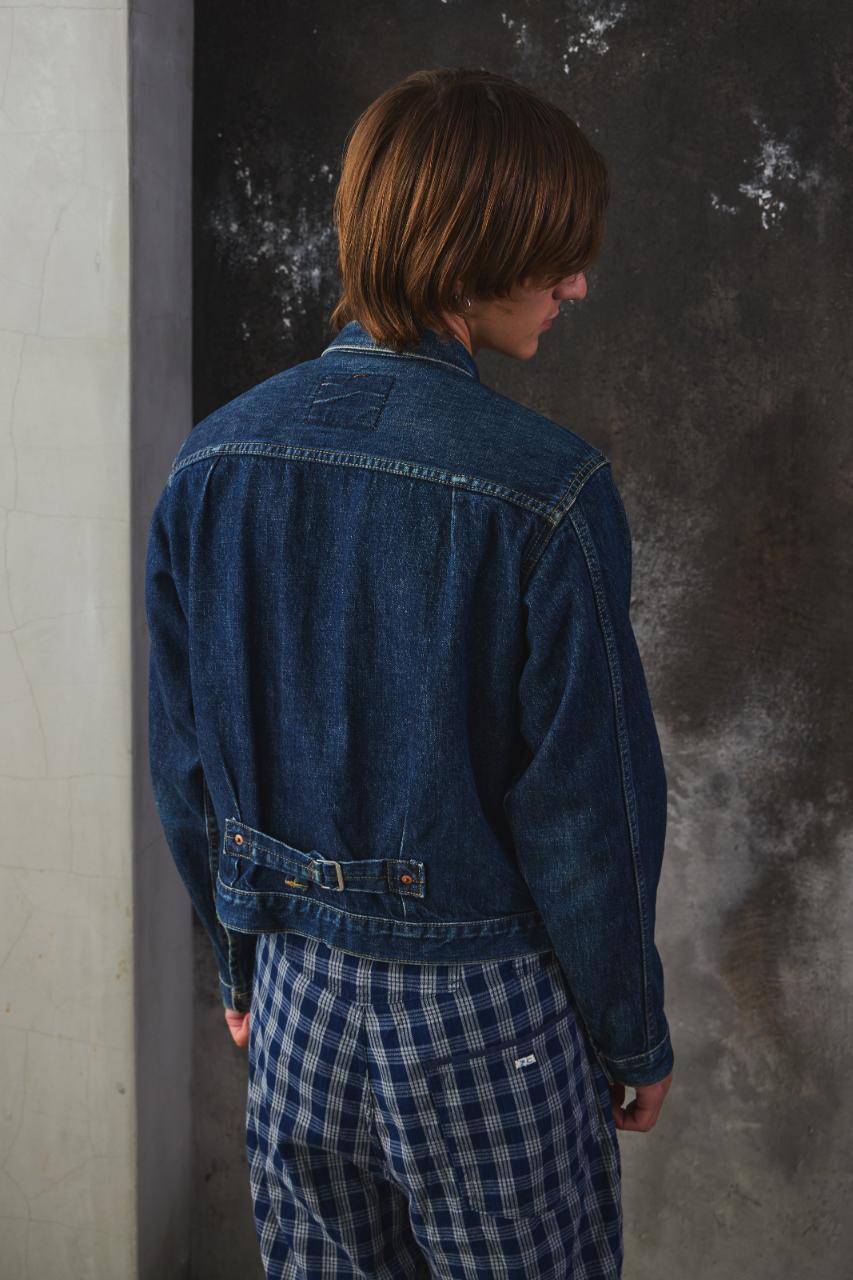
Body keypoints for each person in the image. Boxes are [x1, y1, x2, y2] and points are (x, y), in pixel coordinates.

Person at [145, 66, 674, 1280]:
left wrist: (241, 964)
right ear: (471, 248)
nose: (577, 285)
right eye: (556, 254)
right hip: (485, 1019)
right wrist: (631, 1033)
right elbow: (589, 812)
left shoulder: (210, 464)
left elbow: (187, 767)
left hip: (296, 999)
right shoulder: (549, 489)